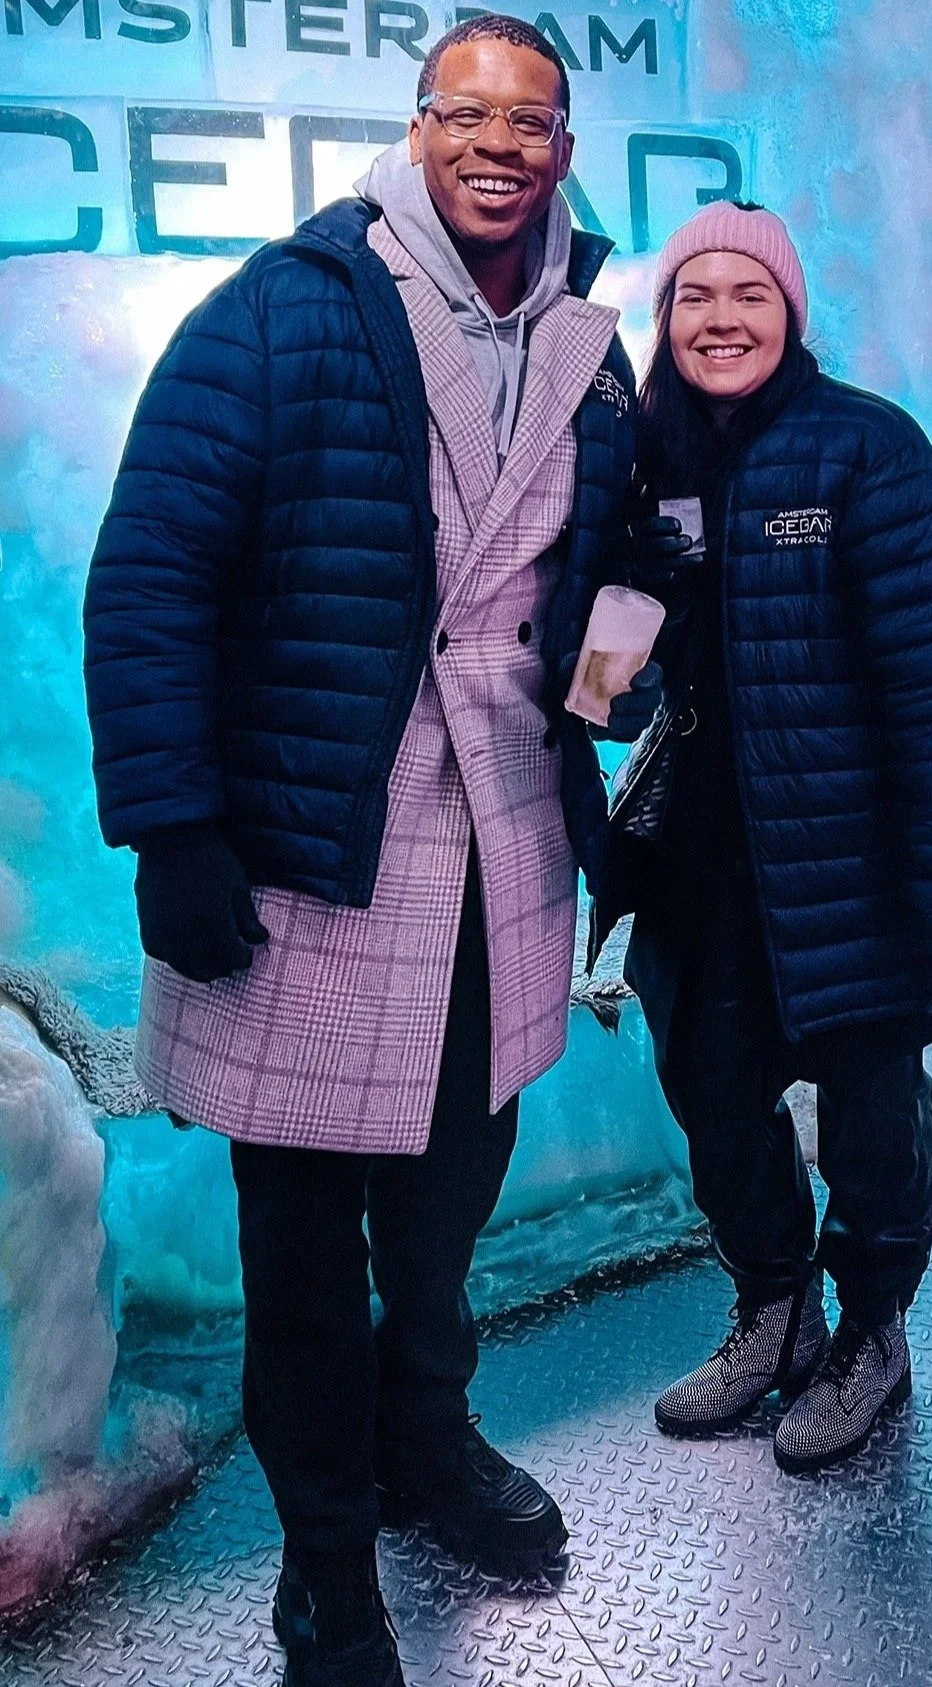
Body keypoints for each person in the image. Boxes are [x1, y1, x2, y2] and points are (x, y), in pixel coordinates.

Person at [83, 17, 658, 1686]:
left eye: (529, 119)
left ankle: (430, 1439)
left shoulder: (593, 345)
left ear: (561, 146)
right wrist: (172, 824)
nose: (497, 142)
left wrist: (592, 699)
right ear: (417, 131)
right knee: (301, 1225)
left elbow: (624, 572)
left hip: (502, 832)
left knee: (445, 1196)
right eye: (465, 113)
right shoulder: (285, 308)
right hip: (309, 846)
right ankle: (327, 1557)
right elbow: (156, 572)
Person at [595, 201, 932, 1476]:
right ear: (667, 319)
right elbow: (616, 636)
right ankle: (774, 1309)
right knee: (713, 1097)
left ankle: (872, 1332)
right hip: (700, 865)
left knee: (875, 1116)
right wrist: (600, 679)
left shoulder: (865, 454)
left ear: (789, 314)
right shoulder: (643, 459)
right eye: (695, 298)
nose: (721, 321)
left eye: (748, 296)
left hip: (852, 871)